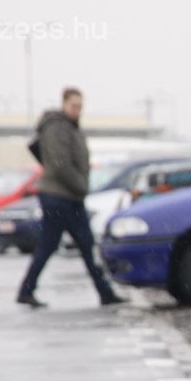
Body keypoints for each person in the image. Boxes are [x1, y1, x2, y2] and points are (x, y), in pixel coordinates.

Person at [17, 87, 125, 308]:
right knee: (80, 243)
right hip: (59, 196)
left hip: (66, 196)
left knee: (68, 244)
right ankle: (103, 291)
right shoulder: (57, 128)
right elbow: (60, 165)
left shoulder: (71, 128)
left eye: (80, 106)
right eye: (74, 106)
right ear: (64, 104)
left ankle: (27, 289)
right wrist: (82, 186)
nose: (78, 110)